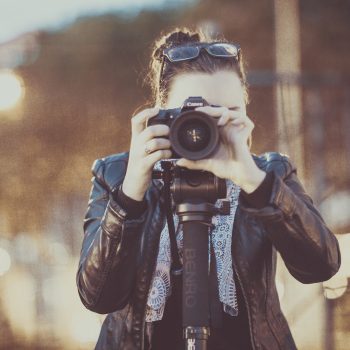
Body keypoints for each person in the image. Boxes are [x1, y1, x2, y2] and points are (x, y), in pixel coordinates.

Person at [76, 28, 341, 350]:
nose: (207, 129)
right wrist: (130, 193)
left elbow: (321, 267)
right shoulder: (116, 174)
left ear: (246, 113)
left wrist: (254, 182)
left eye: (226, 114)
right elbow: (97, 296)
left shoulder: (269, 174)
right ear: (160, 114)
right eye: (194, 113)